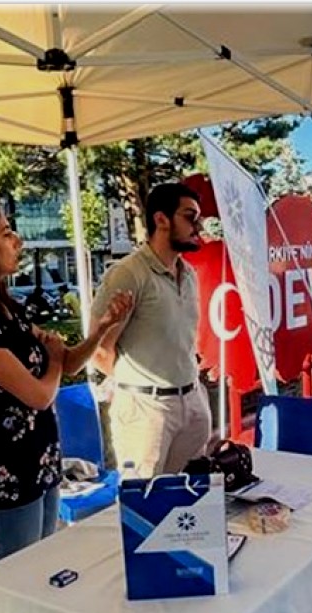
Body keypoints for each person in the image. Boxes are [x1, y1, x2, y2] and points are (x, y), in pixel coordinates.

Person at [0, 197, 132, 565]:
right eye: (5, 233)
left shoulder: (7, 309)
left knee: (41, 571)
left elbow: (67, 362)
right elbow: (38, 394)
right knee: (17, 576)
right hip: (4, 479)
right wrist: (54, 361)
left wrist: (101, 330)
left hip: (40, 464)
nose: (17, 240)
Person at [89, 183, 211, 477]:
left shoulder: (189, 273)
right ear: (161, 219)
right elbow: (99, 349)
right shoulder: (128, 273)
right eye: (190, 217)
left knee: (188, 495)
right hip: (146, 409)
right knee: (143, 499)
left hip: (193, 400)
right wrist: (138, 388)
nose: (198, 226)